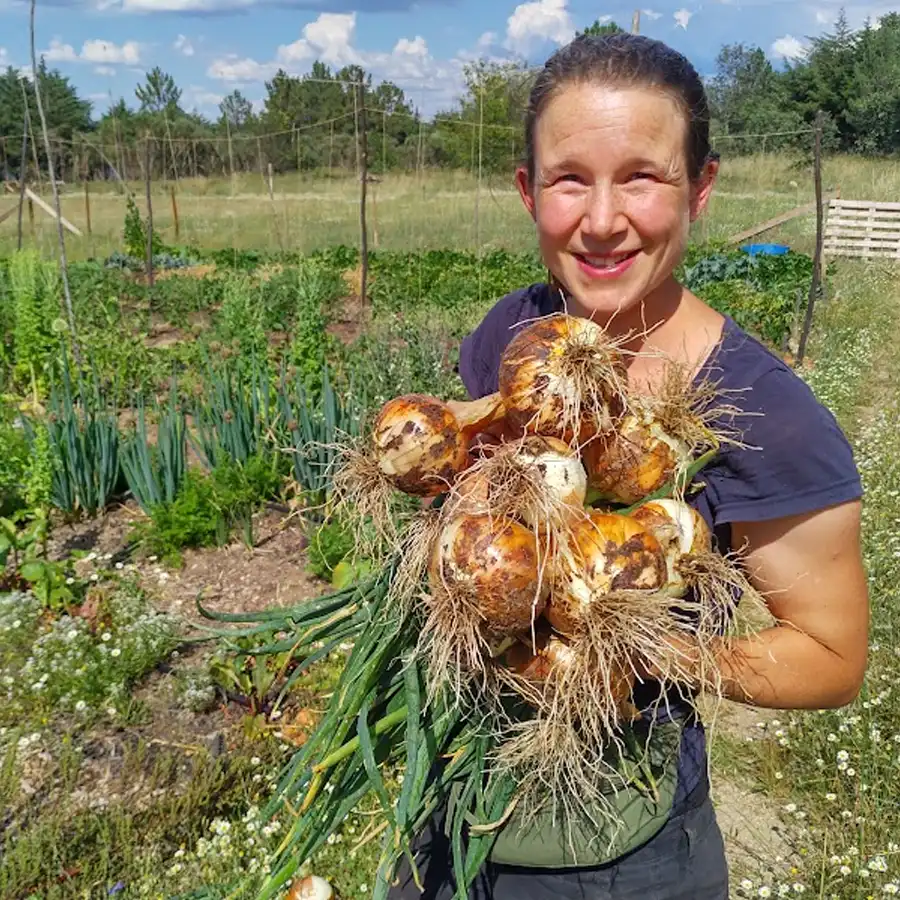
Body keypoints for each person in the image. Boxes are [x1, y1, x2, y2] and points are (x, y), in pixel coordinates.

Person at [389, 31, 869, 900]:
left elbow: (834, 659)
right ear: (528, 192)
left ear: (702, 190)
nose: (602, 219)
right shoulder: (514, 332)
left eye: (642, 176)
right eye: (570, 178)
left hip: (618, 848)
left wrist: (638, 645)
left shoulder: (768, 414)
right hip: (453, 793)